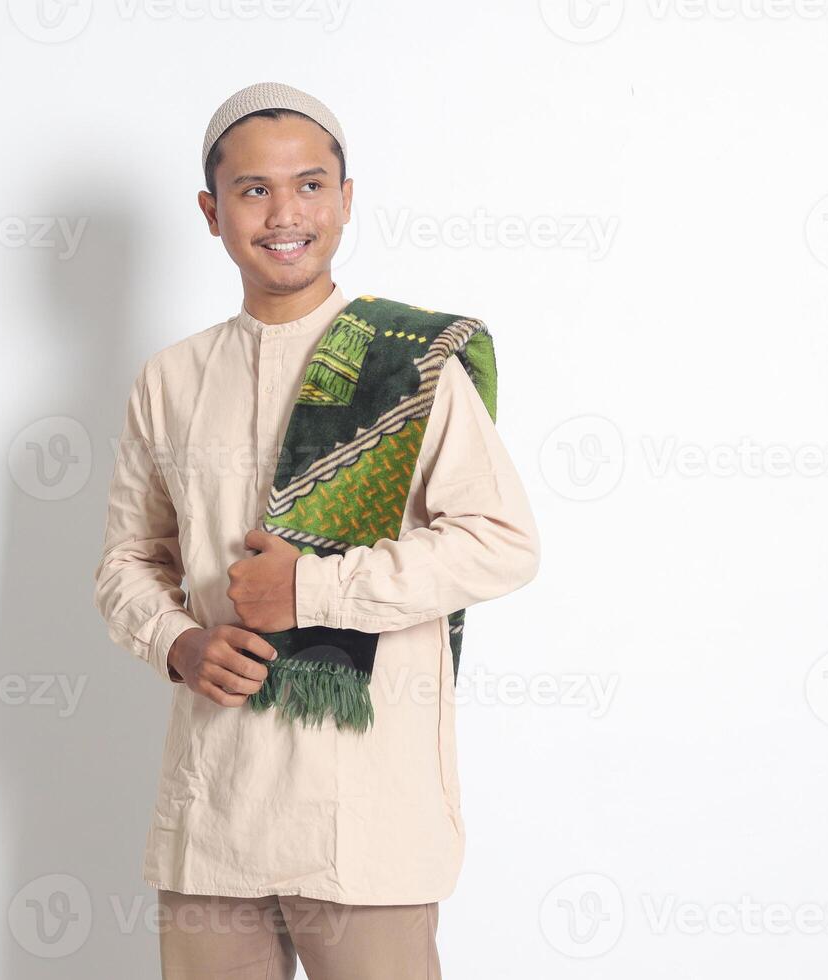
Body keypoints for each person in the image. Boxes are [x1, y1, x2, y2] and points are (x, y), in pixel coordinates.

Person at [92, 81, 540, 979]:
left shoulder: (409, 368)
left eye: (310, 185)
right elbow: (127, 563)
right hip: (214, 812)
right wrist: (178, 642)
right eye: (254, 190)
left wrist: (312, 587)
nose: (285, 212)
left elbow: (502, 540)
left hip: (368, 818)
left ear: (345, 199)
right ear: (211, 212)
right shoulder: (171, 379)